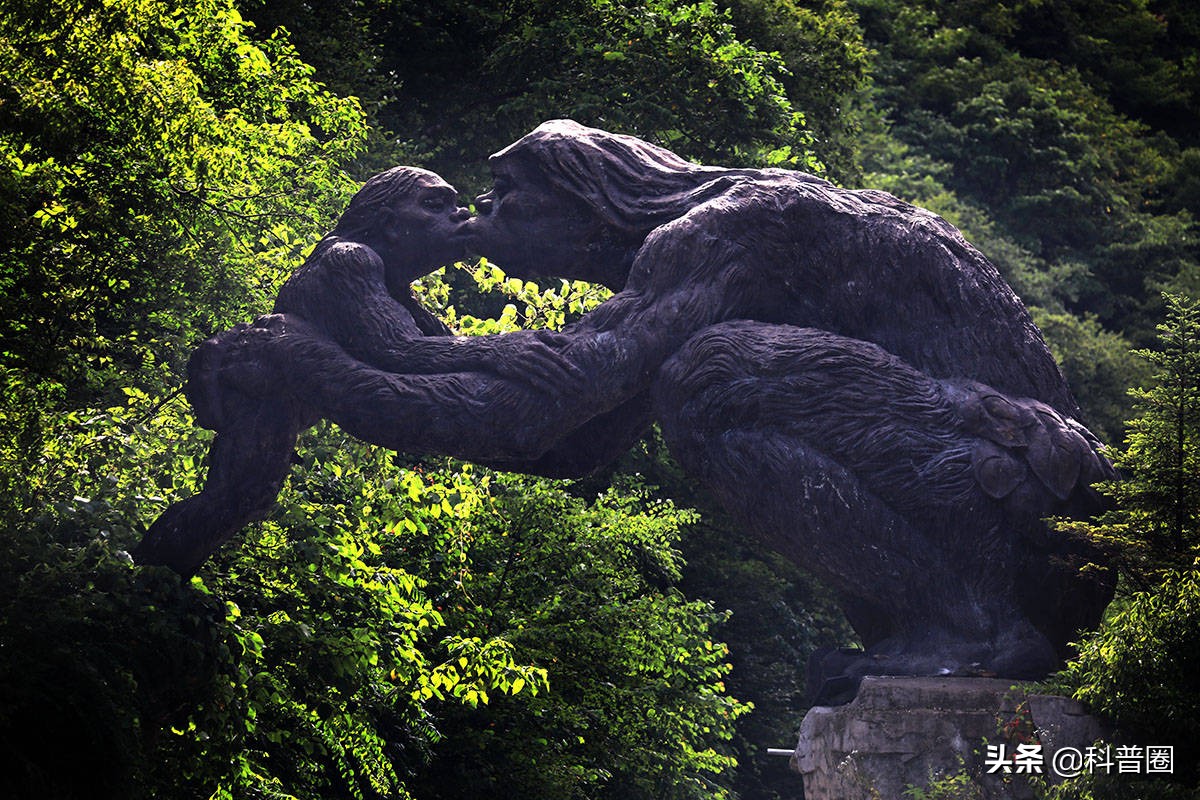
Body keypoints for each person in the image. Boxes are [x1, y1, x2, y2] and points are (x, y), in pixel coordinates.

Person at [148, 121, 1114, 691]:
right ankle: (954, 624)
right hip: (994, 507)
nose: (485, 222)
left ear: (582, 193)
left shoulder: (723, 233)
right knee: (699, 371)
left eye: (505, 195)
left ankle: (970, 630)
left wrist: (312, 365)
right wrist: (343, 363)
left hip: (1022, 513)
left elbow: (547, 396)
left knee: (711, 375)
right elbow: (557, 441)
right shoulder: (675, 274)